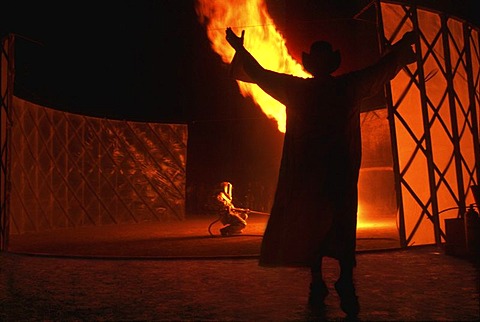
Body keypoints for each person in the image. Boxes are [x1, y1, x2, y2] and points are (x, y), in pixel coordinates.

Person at [225, 27, 417, 317]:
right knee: (341, 223)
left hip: (309, 175)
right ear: (333, 64)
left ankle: (318, 282)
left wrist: (240, 50)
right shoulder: (348, 87)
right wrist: (402, 46)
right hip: (339, 171)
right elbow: (381, 69)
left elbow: (260, 74)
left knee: (313, 225)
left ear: (311, 66)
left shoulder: (297, 89)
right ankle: (344, 281)